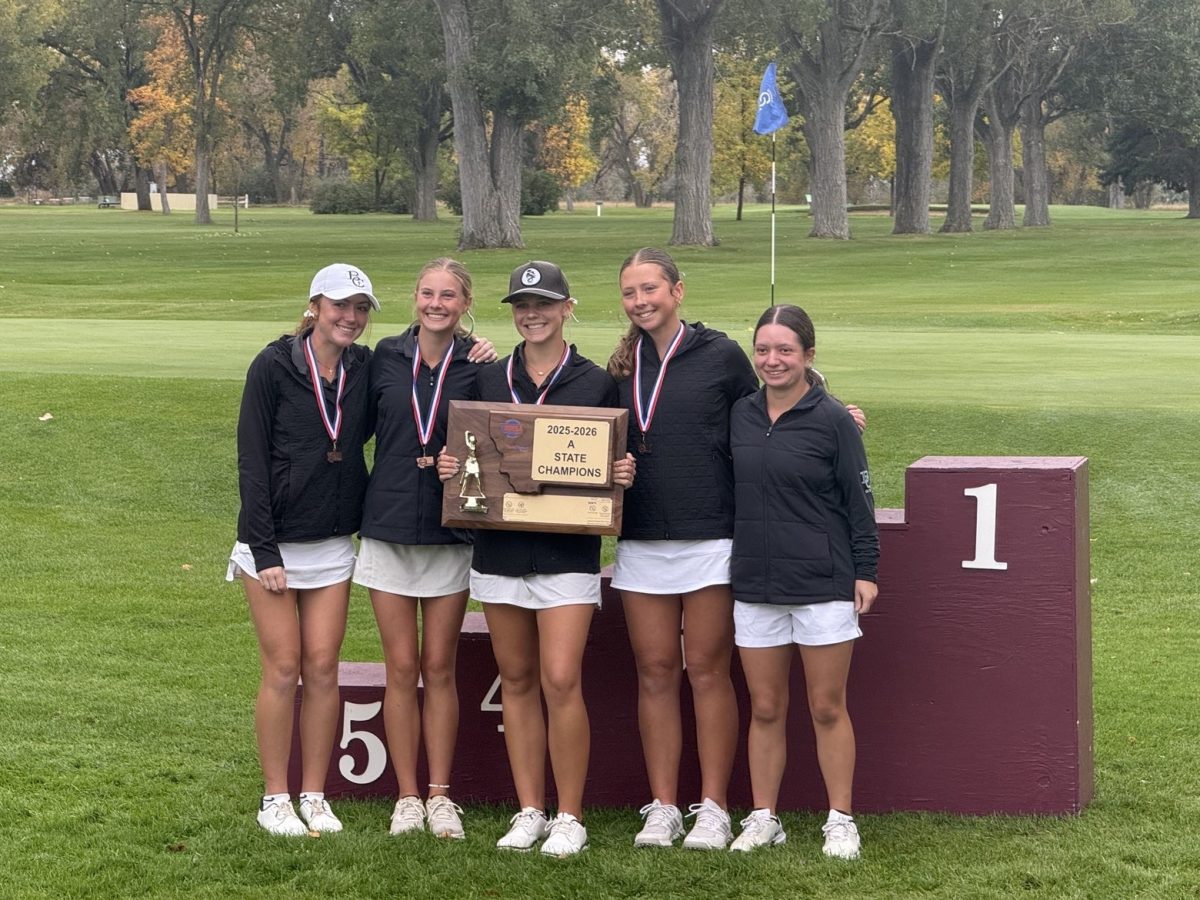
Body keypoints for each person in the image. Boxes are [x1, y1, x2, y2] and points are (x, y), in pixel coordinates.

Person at [437, 260, 636, 857]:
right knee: (517, 680)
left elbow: (613, 460)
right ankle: (530, 809)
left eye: (544, 304)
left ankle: (570, 815)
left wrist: (621, 471)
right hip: (499, 552)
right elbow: (465, 449)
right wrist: (451, 467)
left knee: (559, 678)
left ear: (567, 308)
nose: (532, 314)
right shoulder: (485, 377)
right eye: (522, 306)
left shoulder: (596, 382)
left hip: (567, 554)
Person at [606, 248, 757, 850]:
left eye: (650, 289)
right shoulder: (618, 367)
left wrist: (827, 408)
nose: (641, 301)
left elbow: (765, 405)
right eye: (629, 292)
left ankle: (714, 806)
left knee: (707, 671)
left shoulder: (718, 353)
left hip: (711, 534)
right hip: (642, 538)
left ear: (678, 290)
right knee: (656, 671)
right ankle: (664, 805)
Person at [228, 263, 378, 836]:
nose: (351, 317)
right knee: (284, 667)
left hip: (333, 541)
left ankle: (314, 794)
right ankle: (275, 798)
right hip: (272, 545)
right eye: (341, 305)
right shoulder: (273, 365)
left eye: (361, 308)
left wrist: (471, 342)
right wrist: (264, 551)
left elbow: (424, 354)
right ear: (314, 306)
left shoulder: (363, 367)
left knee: (323, 669)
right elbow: (252, 461)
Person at [726, 304, 879, 859]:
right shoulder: (740, 414)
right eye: (763, 350)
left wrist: (867, 569)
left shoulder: (834, 418)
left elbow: (859, 499)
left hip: (823, 581)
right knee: (764, 707)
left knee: (826, 706)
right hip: (756, 583)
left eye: (785, 350)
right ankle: (765, 816)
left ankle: (841, 818)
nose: (773, 360)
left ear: (809, 356)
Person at [354, 258, 495, 839]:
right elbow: (348, 424)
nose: (436, 303)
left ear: (465, 305)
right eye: (426, 293)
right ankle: (406, 796)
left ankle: (440, 796)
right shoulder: (383, 355)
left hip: (449, 530)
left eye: (448, 295)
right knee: (400, 668)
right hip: (387, 522)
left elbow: (500, 441)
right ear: (414, 298)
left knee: (439, 667)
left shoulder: (480, 364)